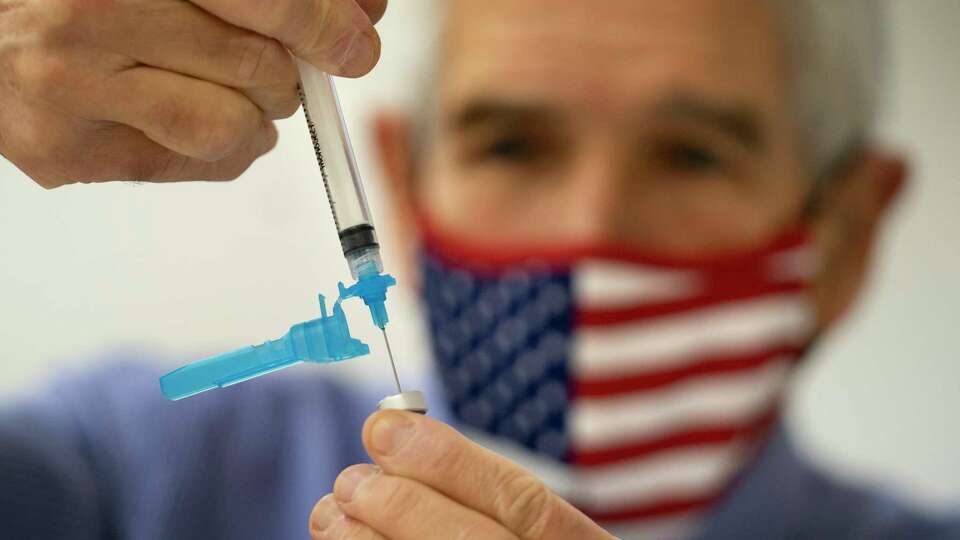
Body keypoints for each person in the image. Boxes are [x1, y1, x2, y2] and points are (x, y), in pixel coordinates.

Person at [0, 0, 957, 538]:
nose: (590, 232)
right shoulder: (132, 474)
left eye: (693, 155)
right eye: (513, 147)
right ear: (407, 200)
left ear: (847, 232)